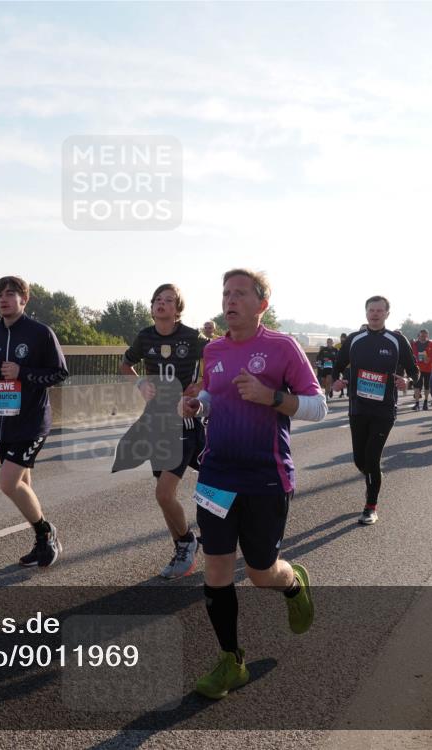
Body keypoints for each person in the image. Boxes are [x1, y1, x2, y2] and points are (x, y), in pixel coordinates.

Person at [179, 268, 321, 699]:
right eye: (225, 293)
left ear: (261, 304)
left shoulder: (282, 348)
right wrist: (195, 406)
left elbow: (319, 406)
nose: (230, 300)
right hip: (217, 474)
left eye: (240, 293)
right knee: (217, 567)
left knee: (261, 574)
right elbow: (212, 395)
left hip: (266, 477)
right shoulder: (214, 349)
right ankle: (230, 660)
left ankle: (292, 583)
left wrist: (272, 397)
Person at [0, 277, 69, 567]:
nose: (3, 299)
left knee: (8, 483)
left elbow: (59, 373)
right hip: (4, 420)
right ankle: (41, 542)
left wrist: (22, 372)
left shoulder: (40, 333)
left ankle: (45, 532)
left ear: (24, 299)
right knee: (23, 484)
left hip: (33, 421)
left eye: (10, 294)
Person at [113, 283, 207, 578]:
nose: (161, 304)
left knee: (166, 493)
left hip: (184, 423)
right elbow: (126, 365)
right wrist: (141, 383)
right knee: (163, 495)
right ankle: (184, 545)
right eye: (157, 300)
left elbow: (219, 363)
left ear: (178, 310)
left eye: (168, 300)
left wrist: (201, 386)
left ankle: (191, 540)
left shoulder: (193, 338)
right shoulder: (145, 336)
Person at [331, 296, 419, 524]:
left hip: (384, 409)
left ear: (387, 314)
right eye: (371, 310)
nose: (375, 314)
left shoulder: (397, 340)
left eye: (380, 310)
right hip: (358, 408)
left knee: (371, 457)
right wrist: (336, 381)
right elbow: (337, 367)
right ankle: (374, 476)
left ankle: (371, 506)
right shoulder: (354, 339)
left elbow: (414, 370)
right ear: (366, 312)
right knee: (360, 460)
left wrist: (407, 381)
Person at [410, 329, 432, 410]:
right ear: (419, 335)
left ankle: (425, 402)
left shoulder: (431, 344)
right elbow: (410, 354)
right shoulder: (414, 344)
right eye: (422, 335)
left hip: (428, 368)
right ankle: (417, 404)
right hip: (417, 368)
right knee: (416, 386)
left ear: (427, 336)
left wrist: (429, 359)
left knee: (427, 385)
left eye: (425, 336)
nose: (423, 337)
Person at [315, 338, 339, 402]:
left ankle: (326, 395)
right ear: (327, 343)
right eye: (328, 342)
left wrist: (333, 361)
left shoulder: (335, 350)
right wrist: (321, 362)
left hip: (331, 368)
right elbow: (318, 358)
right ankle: (329, 389)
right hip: (324, 368)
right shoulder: (323, 350)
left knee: (328, 381)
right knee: (323, 382)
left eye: (330, 342)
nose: (329, 343)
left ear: (332, 343)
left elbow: (338, 358)